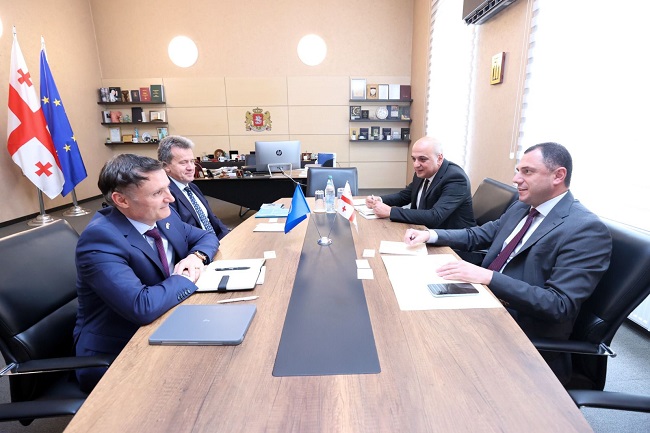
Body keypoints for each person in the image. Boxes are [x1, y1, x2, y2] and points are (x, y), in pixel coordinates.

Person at [404, 142, 612, 384]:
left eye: (527, 172)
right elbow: (480, 234)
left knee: (423, 351)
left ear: (558, 175)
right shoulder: (523, 206)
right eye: (518, 171)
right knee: (411, 309)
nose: (516, 179)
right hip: (483, 302)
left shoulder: (585, 229)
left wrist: (488, 277)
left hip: (518, 332)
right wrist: (431, 235)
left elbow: (559, 305)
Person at [74, 154, 219, 392]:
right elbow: (142, 306)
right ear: (121, 200)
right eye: (157, 193)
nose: (170, 198)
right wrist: (185, 277)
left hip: (167, 320)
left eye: (167, 188)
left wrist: (196, 257)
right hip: (119, 352)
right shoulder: (100, 240)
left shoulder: (160, 215)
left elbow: (206, 237)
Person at [366, 136, 475, 229]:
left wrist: (390, 212)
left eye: (422, 159)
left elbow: (435, 216)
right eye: (414, 159)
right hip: (420, 231)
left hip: (451, 242)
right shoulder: (423, 172)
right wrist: (379, 200)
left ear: (439, 158)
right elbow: (405, 196)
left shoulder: (456, 178)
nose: (416, 165)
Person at [158, 135, 230, 239]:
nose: (191, 168)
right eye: (183, 163)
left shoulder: (192, 187)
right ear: (166, 166)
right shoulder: (165, 196)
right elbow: (181, 235)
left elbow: (212, 219)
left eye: (192, 161)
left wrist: (228, 236)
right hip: (202, 246)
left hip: (218, 240)